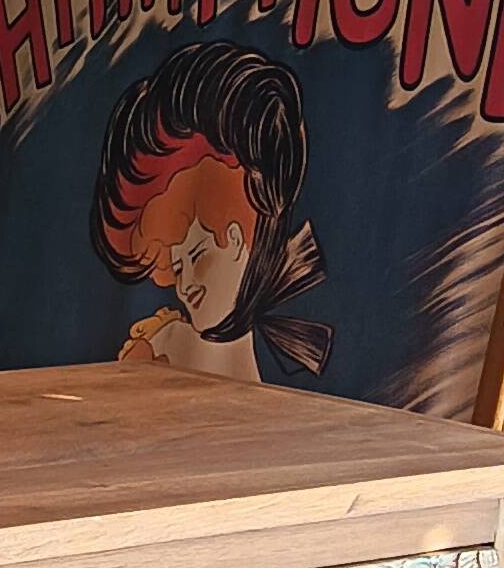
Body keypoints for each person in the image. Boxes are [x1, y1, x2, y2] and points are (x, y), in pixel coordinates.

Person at [91, 38, 333, 381]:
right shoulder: (166, 340)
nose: (182, 285)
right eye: (177, 266)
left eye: (198, 254)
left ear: (239, 239)